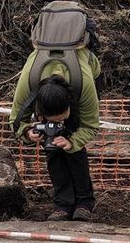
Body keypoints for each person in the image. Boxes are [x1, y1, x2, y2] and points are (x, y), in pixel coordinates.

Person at [10, 44, 101, 221]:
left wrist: (73, 142)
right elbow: (16, 120)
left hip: (83, 76)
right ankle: (63, 205)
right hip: (43, 86)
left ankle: (84, 203)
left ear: (69, 105)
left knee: (74, 151)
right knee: (52, 149)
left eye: (61, 118)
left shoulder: (84, 84)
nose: (57, 123)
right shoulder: (28, 81)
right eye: (52, 119)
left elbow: (90, 125)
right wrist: (28, 132)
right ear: (40, 111)